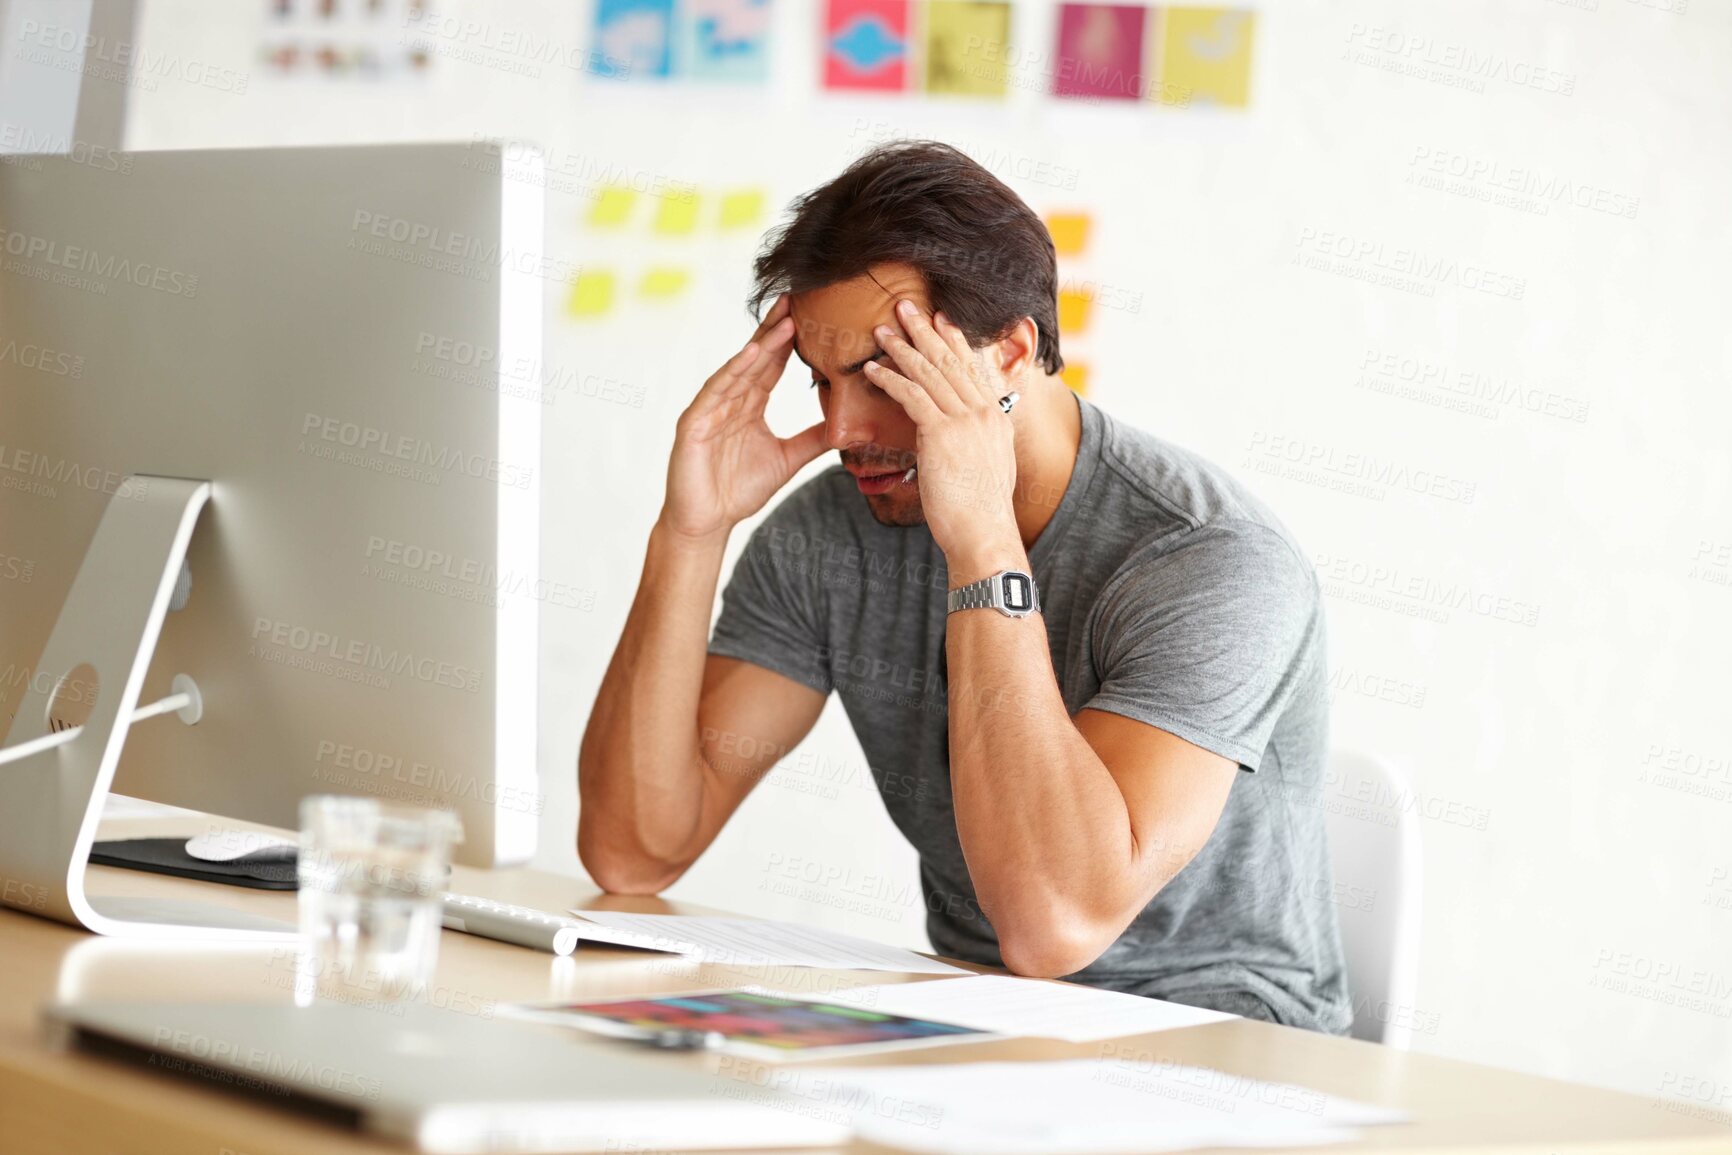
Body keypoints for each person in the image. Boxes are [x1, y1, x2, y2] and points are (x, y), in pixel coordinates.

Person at [579, 140, 1350, 1032]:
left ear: (1010, 352)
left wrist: (982, 541)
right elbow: (633, 851)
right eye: (822, 382)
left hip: (1230, 1047)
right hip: (980, 1022)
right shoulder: (837, 531)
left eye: (883, 375)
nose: (839, 428)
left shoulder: (1211, 559)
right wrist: (691, 533)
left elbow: (1054, 923)